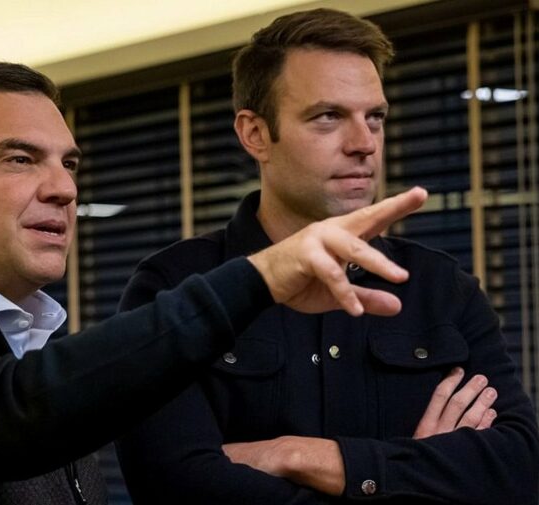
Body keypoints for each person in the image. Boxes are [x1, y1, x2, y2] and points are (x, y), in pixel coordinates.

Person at [0, 62, 428, 505]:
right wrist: (261, 276)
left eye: (68, 164)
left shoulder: (23, 341)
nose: (64, 189)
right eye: (20, 159)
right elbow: (12, 412)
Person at [115, 8, 539, 505]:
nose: (364, 144)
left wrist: (299, 455)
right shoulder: (173, 286)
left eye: (375, 117)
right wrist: (415, 475)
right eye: (328, 117)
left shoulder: (441, 288)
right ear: (255, 134)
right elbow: (173, 486)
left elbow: (521, 468)